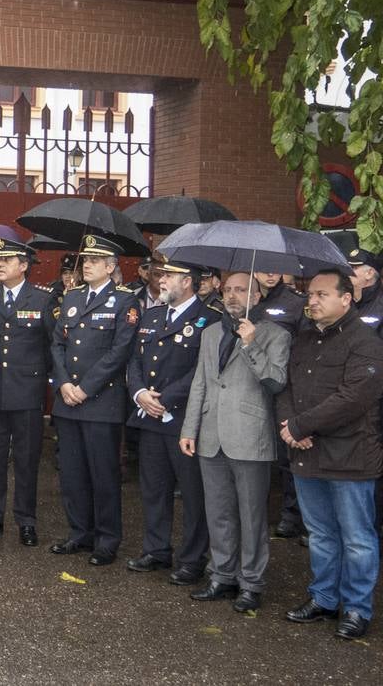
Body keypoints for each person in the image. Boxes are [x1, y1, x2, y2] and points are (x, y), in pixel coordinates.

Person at [279, 269, 383, 640]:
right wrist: (290, 425)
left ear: (346, 298)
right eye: (310, 295)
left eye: (322, 295)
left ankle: (356, 608)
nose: (313, 301)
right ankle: (324, 599)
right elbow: (287, 387)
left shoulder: (364, 341)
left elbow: (354, 398)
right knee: (321, 534)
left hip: (350, 457)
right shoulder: (305, 338)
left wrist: (301, 426)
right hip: (307, 454)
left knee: (357, 537)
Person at [181, 272, 291, 613]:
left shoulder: (276, 334)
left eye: (241, 290)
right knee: (219, 512)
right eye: (227, 289)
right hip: (211, 436)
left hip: (249, 437)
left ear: (257, 297)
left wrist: (250, 343)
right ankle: (222, 575)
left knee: (252, 515)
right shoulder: (211, 332)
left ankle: (251, 582)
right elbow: (200, 382)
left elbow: (275, 381)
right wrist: (189, 428)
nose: (231, 295)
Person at [48, 235, 140, 566]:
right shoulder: (71, 297)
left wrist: (85, 387)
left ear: (111, 266)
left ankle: (107, 539)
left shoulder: (124, 302)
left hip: (100, 401)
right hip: (68, 400)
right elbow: (57, 344)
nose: (86, 264)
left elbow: (119, 353)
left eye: (95, 260)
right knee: (72, 473)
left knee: (103, 474)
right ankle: (79, 533)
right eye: (85, 259)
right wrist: (62, 384)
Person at [124, 259, 214, 584]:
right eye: (161, 275)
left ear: (187, 281)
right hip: (149, 416)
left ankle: (192, 559)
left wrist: (164, 398)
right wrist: (138, 395)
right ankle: (156, 549)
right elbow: (134, 360)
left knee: (193, 494)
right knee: (153, 488)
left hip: (183, 421)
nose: (161, 280)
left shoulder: (209, 320)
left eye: (168, 276)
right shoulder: (151, 315)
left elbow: (202, 371)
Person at [0, 239, 57, 547]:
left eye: (8, 260)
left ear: (24, 265)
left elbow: (50, 345)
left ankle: (26, 520)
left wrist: (37, 376)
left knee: (26, 459)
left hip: (27, 391)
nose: (0, 264)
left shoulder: (43, 299)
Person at [249, 268, 308, 539]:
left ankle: (291, 513)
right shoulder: (249, 299)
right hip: (250, 385)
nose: (270, 274)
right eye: (263, 269)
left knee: (286, 456)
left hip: (282, 385)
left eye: (276, 269)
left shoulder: (296, 303)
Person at [347, 248, 383, 331]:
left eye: (353, 267)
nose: (347, 271)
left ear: (369, 273)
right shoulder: (343, 299)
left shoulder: (380, 304)